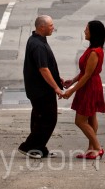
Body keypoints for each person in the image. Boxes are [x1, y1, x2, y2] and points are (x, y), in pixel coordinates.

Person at [19, 16, 64, 159]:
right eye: (51, 25)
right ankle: (28, 147)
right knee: (48, 119)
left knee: (39, 118)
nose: (53, 28)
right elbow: (43, 69)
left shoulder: (36, 40)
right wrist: (56, 87)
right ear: (41, 27)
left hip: (38, 88)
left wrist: (58, 79)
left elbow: (47, 66)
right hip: (41, 90)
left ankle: (39, 148)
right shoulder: (38, 45)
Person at [62, 21, 105, 160]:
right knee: (91, 116)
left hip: (89, 86)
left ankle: (97, 148)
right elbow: (85, 72)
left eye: (87, 29)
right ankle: (91, 149)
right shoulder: (93, 49)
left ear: (93, 33)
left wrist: (71, 90)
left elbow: (87, 75)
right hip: (91, 83)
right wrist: (73, 80)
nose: (84, 31)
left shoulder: (94, 52)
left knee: (80, 120)